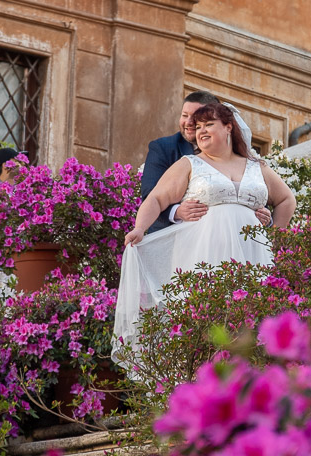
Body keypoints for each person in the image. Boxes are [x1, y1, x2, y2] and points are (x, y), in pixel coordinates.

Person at [113, 102, 296, 363]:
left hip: (252, 254)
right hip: (203, 255)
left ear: (229, 127)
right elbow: (156, 199)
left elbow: (287, 199)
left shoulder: (257, 167)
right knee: (205, 323)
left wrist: (274, 236)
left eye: (209, 124)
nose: (201, 131)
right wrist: (139, 228)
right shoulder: (190, 164)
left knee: (250, 321)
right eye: (198, 127)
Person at [142, 90, 267, 235]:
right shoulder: (164, 147)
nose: (189, 123)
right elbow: (150, 195)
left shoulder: (241, 157)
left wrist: (263, 214)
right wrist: (176, 212)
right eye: (184, 115)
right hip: (175, 237)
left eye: (196, 118)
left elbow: (253, 188)